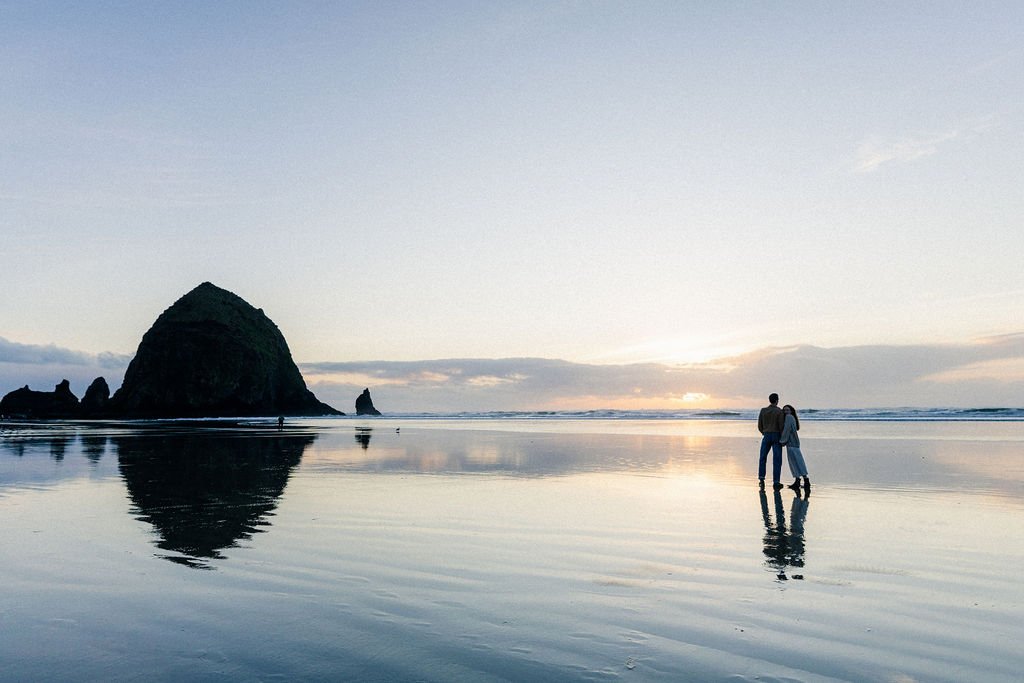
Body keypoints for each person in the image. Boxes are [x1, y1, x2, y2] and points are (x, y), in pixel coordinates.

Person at [757, 393, 785, 489]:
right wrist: (782, 437)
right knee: (777, 459)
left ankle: (761, 478)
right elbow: (781, 426)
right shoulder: (779, 411)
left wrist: (764, 432)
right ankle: (776, 481)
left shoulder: (763, 410)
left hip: (766, 434)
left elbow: (759, 425)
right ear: (777, 400)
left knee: (763, 457)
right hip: (776, 435)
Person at [780, 404, 810, 490]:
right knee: (795, 462)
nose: (785, 412)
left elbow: (787, 430)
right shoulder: (791, 417)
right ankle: (799, 481)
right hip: (792, 443)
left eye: (787, 410)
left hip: (792, 443)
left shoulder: (789, 417)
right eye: (784, 410)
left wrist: (782, 441)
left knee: (797, 462)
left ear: (791, 411)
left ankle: (805, 480)